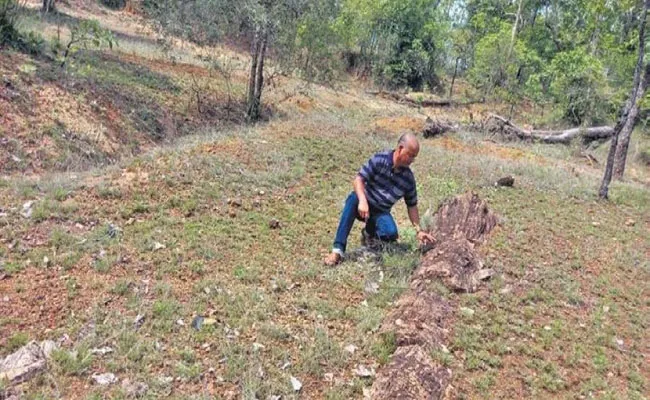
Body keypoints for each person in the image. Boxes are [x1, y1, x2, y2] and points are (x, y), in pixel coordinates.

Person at [324, 132, 435, 266]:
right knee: (352, 201)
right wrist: (363, 201)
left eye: (414, 157)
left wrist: (419, 230)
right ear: (400, 148)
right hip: (363, 203)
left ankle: (369, 233)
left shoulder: (408, 179)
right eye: (410, 155)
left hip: (380, 212)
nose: (411, 160)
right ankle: (337, 250)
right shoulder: (380, 159)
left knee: (390, 234)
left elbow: (412, 205)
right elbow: (359, 179)